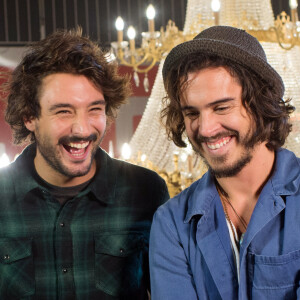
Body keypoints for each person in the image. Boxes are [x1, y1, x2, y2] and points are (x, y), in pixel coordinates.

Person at [0, 28, 169, 299]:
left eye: (94, 109)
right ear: (30, 116)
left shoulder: (146, 191)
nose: (82, 129)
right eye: (63, 111)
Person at [149, 25, 300, 299]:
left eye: (222, 107)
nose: (205, 129)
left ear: (260, 103)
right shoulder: (171, 223)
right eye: (192, 113)